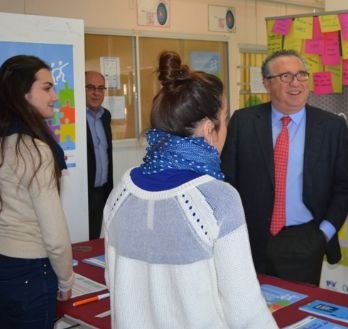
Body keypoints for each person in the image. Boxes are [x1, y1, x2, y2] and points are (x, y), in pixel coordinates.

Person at [103, 51, 277, 329]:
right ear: (210, 129)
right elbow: (244, 310)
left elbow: (114, 282)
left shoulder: (120, 193)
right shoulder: (217, 198)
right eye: (225, 117)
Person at [221, 49, 348, 286]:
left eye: (302, 75)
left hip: (304, 240)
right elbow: (227, 182)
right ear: (266, 83)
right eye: (286, 76)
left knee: (297, 318)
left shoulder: (331, 127)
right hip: (249, 241)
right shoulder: (243, 122)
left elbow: (345, 188)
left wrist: (323, 234)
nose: (296, 83)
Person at [0, 55, 74, 329]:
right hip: (28, 271)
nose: (55, 96)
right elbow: (54, 234)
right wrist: (66, 280)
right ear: (23, 93)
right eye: (47, 87)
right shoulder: (36, 149)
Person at [85, 71, 113, 240]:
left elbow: (107, 152)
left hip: (101, 191)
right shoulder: (76, 117)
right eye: (90, 88)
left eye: (101, 88)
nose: (96, 93)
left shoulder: (105, 116)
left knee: (94, 238)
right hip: (83, 192)